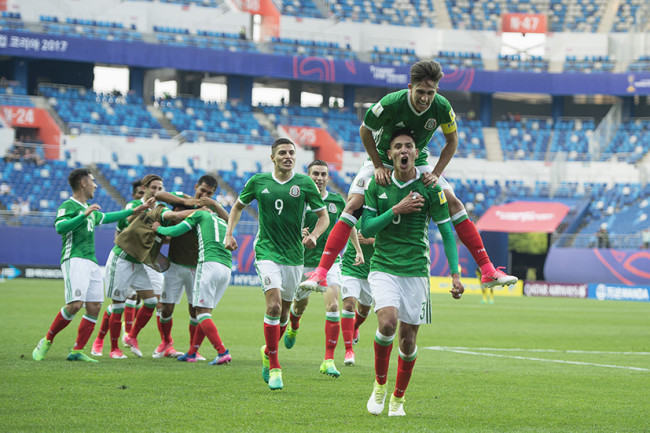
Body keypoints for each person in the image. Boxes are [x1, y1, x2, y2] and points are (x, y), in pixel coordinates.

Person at [299, 60, 516, 293]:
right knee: (352, 205)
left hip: (417, 159)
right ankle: (321, 273)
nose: (425, 98)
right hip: (382, 157)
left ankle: (487, 270)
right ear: (410, 87)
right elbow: (365, 130)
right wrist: (377, 165)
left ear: (437, 91)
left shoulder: (442, 107)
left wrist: (435, 173)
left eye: (430, 93)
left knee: (453, 202)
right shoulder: (391, 103)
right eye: (420, 92)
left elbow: (452, 142)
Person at [361, 130, 464, 416]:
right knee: (388, 324)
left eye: (409, 146)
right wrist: (397, 208)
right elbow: (366, 229)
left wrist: (455, 273)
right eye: (397, 146)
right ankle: (380, 386)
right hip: (383, 266)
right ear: (390, 154)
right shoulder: (376, 185)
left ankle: (398, 397)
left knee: (408, 341)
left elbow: (446, 231)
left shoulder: (430, 188)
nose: (404, 150)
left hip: (417, 270)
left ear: (416, 154)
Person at [224, 138, 330, 390]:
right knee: (272, 307)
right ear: (273, 157)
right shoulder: (258, 181)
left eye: (292, 153)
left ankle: (267, 351)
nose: (288, 156)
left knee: (283, 313)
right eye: (282, 152)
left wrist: (313, 236)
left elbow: (323, 217)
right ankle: (274, 366)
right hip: (266, 251)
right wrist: (230, 233)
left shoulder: (305, 183)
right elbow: (237, 207)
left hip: (294, 257)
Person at [32, 168, 152, 362]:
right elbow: (60, 227)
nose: (96, 185)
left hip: (92, 262)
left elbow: (108, 217)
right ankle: (46, 341)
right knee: (75, 305)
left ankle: (77, 350)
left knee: (95, 306)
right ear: (83, 183)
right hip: (75, 258)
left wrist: (135, 210)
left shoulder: (90, 210)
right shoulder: (68, 206)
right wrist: (83, 215)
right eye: (92, 181)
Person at [102, 174, 195, 359]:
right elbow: (126, 221)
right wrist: (201, 210)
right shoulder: (134, 205)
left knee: (152, 301)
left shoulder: (160, 208)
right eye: (153, 187)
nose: (157, 191)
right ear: (144, 188)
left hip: (140, 262)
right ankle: (113, 348)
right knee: (118, 304)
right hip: (122, 258)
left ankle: (132, 337)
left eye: (160, 188)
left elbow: (176, 209)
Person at [285, 160, 362, 378]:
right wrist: (298, 234)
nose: (319, 178)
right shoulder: (298, 200)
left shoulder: (337, 201)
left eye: (323, 174)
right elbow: (285, 226)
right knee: (300, 306)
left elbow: (348, 225)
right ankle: (294, 322)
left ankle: (328, 360)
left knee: (334, 305)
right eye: (315, 174)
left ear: (328, 178)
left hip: (329, 263)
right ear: (308, 176)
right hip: (301, 263)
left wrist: (357, 249)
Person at [154, 174, 228, 360]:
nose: (204, 194)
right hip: (175, 264)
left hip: (198, 266)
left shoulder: (210, 212)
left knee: (196, 310)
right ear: (196, 186)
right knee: (166, 309)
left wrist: (212, 206)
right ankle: (166, 342)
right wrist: (192, 203)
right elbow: (160, 195)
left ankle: (193, 349)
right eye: (202, 190)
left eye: (208, 193)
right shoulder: (184, 199)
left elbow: (229, 219)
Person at [339, 219, 375, 367]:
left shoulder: (383, 213)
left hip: (372, 269)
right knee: (348, 305)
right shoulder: (357, 211)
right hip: (351, 266)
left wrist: (371, 240)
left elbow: (394, 241)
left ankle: (355, 327)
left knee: (365, 309)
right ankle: (349, 350)